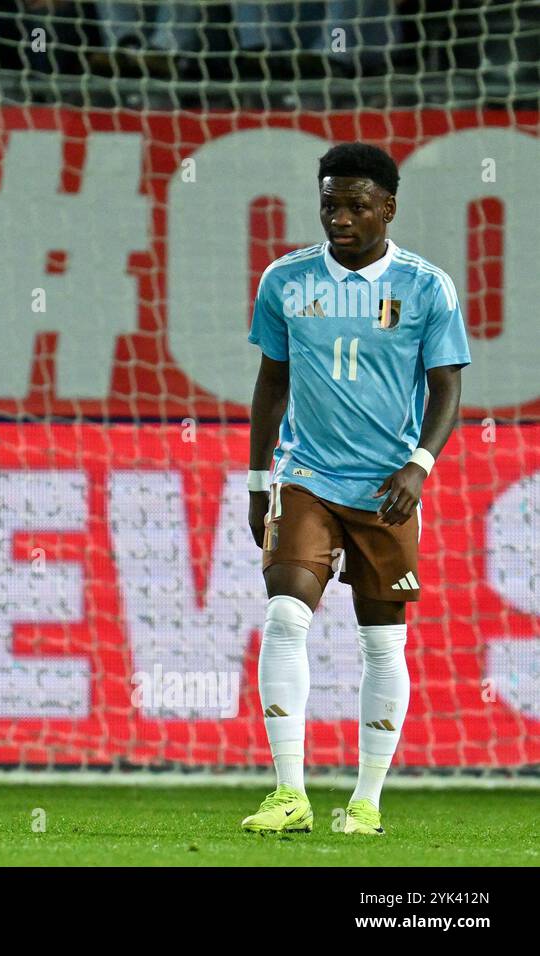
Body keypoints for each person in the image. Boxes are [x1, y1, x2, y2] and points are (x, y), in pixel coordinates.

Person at [244, 142, 470, 836]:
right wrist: (259, 482)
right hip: (306, 475)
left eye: (355, 205)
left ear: (389, 208)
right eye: (329, 204)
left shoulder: (428, 287)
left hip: (386, 489)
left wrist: (420, 465)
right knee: (286, 616)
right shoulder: (285, 279)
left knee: (383, 644)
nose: (338, 218)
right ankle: (289, 795)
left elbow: (447, 387)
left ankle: (366, 802)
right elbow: (272, 383)